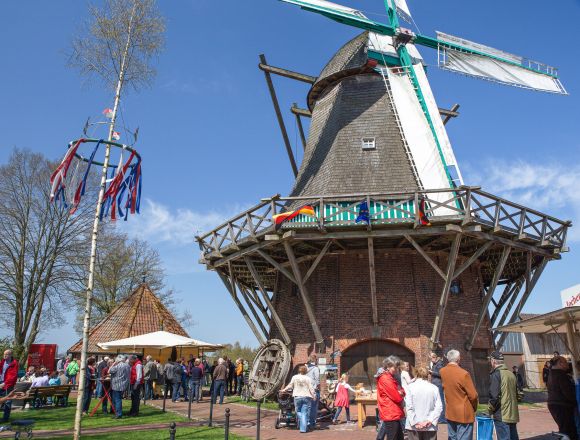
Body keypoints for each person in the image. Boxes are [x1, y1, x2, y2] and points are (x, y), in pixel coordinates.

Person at [440, 349, 478, 440]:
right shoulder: (463, 374)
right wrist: (474, 407)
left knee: (452, 437)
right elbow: (473, 395)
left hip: (450, 410)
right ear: (458, 359)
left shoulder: (442, 371)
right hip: (463, 412)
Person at [405, 366, 443, 440]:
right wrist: (430, 420)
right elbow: (439, 407)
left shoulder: (410, 387)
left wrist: (415, 422)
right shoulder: (434, 388)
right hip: (429, 426)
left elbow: (409, 407)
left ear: (415, 374)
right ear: (427, 374)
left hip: (413, 426)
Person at [488, 351, 519, 440]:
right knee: (513, 437)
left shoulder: (496, 374)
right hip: (512, 413)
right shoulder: (511, 374)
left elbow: (494, 396)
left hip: (501, 414)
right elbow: (518, 394)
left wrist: (489, 410)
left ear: (493, 361)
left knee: (504, 438)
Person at [547, 355, 577, 440]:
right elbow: (567, 392)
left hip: (555, 404)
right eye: (565, 362)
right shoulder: (561, 375)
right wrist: (575, 402)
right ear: (560, 363)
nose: (567, 364)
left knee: (565, 429)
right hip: (562, 405)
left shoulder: (551, 373)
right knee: (568, 431)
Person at [376, 355, 405, 440]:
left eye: (397, 368)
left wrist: (401, 392)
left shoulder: (391, 377)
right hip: (390, 411)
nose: (396, 370)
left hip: (394, 411)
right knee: (393, 437)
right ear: (388, 366)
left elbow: (402, 390)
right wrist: (400, 393)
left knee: (399, 437)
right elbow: (397, 397)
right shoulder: (385, 378)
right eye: (394, 367)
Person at [282, 364, 316, 433]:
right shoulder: (308, 378)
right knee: (305, 413)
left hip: (297, 396)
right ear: (306, 371)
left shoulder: (295, 377)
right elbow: (311, 388)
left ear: (299, 370)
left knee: (298, 411)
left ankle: (303, 427)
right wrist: (314, 396)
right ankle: (304, 426)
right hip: (307, 396)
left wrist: (284, 390)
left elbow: (290, 385)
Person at [0, 350, 18, 422]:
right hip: (1, 382)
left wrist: (4, 383)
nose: (5, 356)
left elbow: (12, 376)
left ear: (11, 355)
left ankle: (5, 418)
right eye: (4, 354)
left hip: (8, 384)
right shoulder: (3, 362)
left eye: (7, 354)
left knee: (8, 401)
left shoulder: (14, 363)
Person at [429, 350, 446, 424]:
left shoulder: (439, 364)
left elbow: (441, 374)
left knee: (441, 400)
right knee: (437, 401)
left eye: (433, 357)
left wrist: (432, 372)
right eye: (431, 357)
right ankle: (440, 417)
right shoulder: (435, 364)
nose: (431, 359)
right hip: (435, 384)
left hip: (438, 384)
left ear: (437, 357)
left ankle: (443, 418)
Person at [306, 354, 321, 430]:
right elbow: (317, 380)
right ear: (315, 360)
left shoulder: (305, 367)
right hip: (314, 390)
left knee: (307, 407)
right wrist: (318, 388)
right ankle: (312, 423)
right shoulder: (315, 368)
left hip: (306, 390)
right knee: (314, 408)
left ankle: (306, 422)